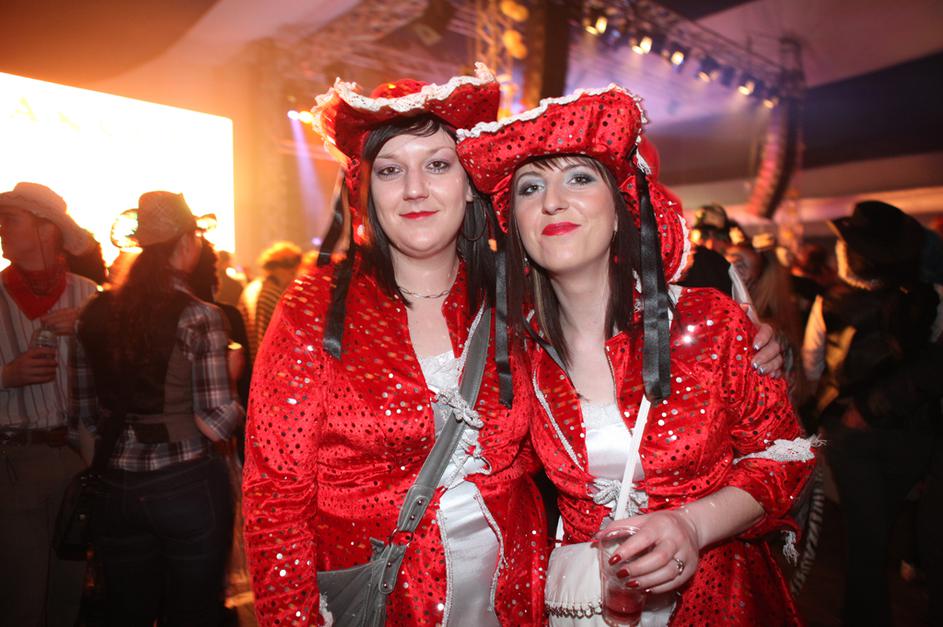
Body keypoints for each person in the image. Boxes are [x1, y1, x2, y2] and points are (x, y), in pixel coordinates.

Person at [457, 85, 816, 624]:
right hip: (582, 605)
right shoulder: (512, 354)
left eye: (579, 178)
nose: (553, 201)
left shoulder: (706, 322)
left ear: (621, 207)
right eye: (531, 187)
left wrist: (693, 524)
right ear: (516, 226)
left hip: (718, 600)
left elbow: (784, 456)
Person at [242, 65, 547, 626]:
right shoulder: (315, 307)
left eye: (438, 165)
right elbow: (275, 500)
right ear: (364, 190)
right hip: (386, 603)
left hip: (516, 596)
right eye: (390, 170)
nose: (414, 189)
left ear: (470, 182)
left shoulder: (517, 298)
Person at [70, 191, 244, 625]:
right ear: (185, 243)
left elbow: (85, 416)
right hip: (184, 484)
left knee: (126, 613)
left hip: (115, 486)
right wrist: (234, 376)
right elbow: (215, 422)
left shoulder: (93, 313)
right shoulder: (200, 316)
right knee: (193, 613)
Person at [802, 200, 943, 625]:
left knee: (865, 538)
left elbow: (812, 366)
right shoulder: (930, 297)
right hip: (915, 434)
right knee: (899, 525)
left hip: (852, 436)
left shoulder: (829, 302)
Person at [0, 182, 98, 627]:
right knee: (21, 597)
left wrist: (92, 328)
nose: (1, 229)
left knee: (67, 595)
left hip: (76, 458)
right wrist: (6, 376)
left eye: (11, 220)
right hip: (13, 460)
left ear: (46, 230)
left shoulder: (89, 295)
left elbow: (122, 374)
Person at [237, 240, 302, 361]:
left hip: (251, 360)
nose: (293, 278)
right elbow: (271, 338)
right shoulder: (269, 293)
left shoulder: (253, 287)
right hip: (265, 361)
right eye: (292, 272)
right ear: (280, 269)